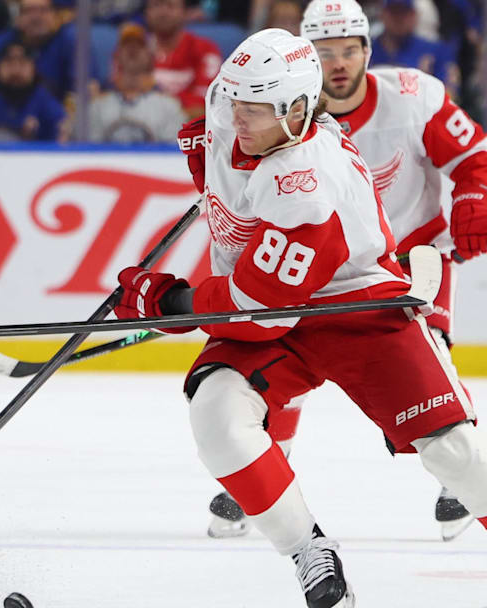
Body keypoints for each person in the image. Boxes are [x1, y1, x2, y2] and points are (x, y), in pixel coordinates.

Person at [121, 28, 487, 607]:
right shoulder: (230, 108)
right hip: (275, 305)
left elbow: (258, 311)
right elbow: (223, 147)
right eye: (235, 100)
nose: (240, 118)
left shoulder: (306, 184)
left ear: (297, 111)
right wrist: (213, 167)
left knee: (452, 451)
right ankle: (307, 550)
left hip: (355, 303)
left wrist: (168, 303)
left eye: (257, 108)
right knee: (216, 416)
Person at [188, 0, 487, 543]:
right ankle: (264, 461)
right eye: (326, 53)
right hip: (306, 274)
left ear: (368, 50)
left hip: (400, 259)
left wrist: (475, 198)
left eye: (350, 49)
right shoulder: (270, 117)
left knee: (431, 360)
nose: (340, 63)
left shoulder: (413, 96)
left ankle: (456, 470)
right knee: (275, 370)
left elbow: (476, 156)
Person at [78, 23, 184, 143]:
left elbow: (174, 153)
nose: (133, 49)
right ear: (116, 56)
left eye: (139, 46)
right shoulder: (98, 106)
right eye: (126, 45)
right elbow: (87, 151)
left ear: (150, 56)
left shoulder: (169, 106)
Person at [0, 0, 98, 102]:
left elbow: (90, 87)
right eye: (29, 11)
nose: (36, 17)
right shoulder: (1, 43)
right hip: (9, 117)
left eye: (43, 10)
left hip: (58, 115)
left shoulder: (69, 42)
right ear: (18, 18)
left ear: (55, 15)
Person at [0, 41, 67, 142]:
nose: (16, 70)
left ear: (33, 68)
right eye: (9, 64)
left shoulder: (42, 97)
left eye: (22, 64)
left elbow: (61, 127)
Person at [143, 0, 220, 118]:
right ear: (146, 13)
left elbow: (206, 104)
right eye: (156, 5)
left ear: (184, 13)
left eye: (170, 6)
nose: (163, 12)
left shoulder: (205, 49)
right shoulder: (133, 50)